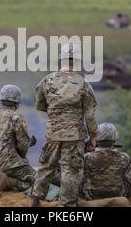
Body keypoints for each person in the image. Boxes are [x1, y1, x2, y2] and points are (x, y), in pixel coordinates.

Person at [29, 43, 97, 207]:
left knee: (47, 165)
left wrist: (55, 113)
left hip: (53, 132)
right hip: (74, 134)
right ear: (78, 62)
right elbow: (90, 113)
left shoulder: (47, 80)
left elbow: (39, 104)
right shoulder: (83, 83)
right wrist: (93, 135)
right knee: (70, 169)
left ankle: (35, 199)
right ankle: (68, 204)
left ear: (61, 60)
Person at [0, 84, 37, 198]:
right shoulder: (17, 118)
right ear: (17, 102)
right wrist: (23, 154)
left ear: (1, 99)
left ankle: (3, 178)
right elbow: (23, 145)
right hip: (10, 164)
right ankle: (6, 181)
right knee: (37, 181)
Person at [82, 123, 131, 200]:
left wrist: (86, 150)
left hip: (91, 195)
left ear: (97, 138)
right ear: (115, 137)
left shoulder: (87, 157)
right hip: (119, 194)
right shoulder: (124, 157)